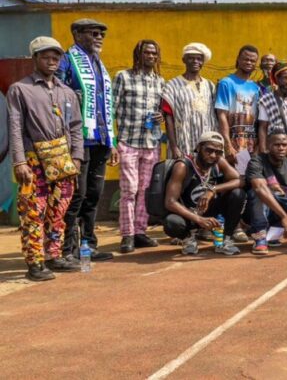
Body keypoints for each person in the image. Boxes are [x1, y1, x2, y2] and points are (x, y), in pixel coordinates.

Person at [8, 37, 84, 280]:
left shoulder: (68, 92)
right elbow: (15, 127)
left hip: (64, 160)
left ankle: (54, 255)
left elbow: (75, 127)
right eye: (46, 57)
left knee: (58, 211)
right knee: (33, 211)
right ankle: (35, 262)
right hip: (33, 160)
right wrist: (19, 162)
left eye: (56, 58)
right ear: (35, 59)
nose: (52, 62)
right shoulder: (20, 89)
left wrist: (78, 158)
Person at [57, 18, 118, 263]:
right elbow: (58, 94)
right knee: (76, 195)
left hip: (100, 139)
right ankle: (67, 248)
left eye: (102, 33)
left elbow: (106, 107)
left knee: (94, 194)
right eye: (94, 33)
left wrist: (112, 142)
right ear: (77, 34)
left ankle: (88, 244)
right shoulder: (67, 60)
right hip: (78, 140)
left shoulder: (98, 64)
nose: (99, 37)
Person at [112, 40, 164, 253]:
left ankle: (140, 232)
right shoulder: (123, 77)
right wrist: (112, 142)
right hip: (128, 141)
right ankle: (127, 235)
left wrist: (160, 116)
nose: (150, 56)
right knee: (129, 189)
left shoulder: (160, 81)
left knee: (145, 189)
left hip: (151, 143)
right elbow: (111, 110)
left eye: (154, 53)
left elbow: (163, 110)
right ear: (138, 55)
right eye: (146, 52)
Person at [163, 131, 245, 256]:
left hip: (210, 213)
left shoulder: (219, 162)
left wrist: (213, 189)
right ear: (198, 148)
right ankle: (188, 238)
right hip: (189, 214)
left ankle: (225, 239)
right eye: (209, 150)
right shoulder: (183, 166)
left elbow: (240, 180)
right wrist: (199, 219)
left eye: (218, 152)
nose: (213, 155)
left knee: (238, 194)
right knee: (171, 222)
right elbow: (170, 202)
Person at [161, 42, 217, 159]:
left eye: (199, 59)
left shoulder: (210, 86)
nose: (195, 61)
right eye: (191, 58)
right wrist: (174, 146)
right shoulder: (172, 86)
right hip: (183, 143)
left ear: (203, 62)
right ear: (184, 60)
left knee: (206, 175)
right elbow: (168, 118)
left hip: (206, 143)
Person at [216, 45, 262, 173]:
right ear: (238, 60)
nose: (249, 63)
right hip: (232, 144)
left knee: (248, 181)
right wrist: (227, 144)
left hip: (251, 146)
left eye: (252, 61)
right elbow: (222, 115)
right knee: (233, 183)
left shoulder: (255, 87)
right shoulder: (226, 83)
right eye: (245, 59)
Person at [256, 61, 287, 166]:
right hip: (274, 154)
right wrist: (263, 149)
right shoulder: (266, 100)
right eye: (285, 78)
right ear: (277, 79)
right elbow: (263, 127)